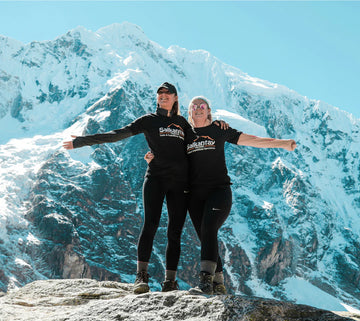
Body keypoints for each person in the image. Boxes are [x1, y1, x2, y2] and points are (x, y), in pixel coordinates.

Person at [145, 96, 296, 295]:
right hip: (194, 197)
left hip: (219, 192)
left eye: (202, 106)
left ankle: (205, 284)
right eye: (194, 106)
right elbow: (171, 158)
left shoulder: (219, 130)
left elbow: (252, 140)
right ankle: (219, 284)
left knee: (208, 229)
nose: (198, 108)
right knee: (207, 237)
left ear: (208, 110)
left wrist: (283, 143)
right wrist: (153, 161)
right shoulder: (184, 135)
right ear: (189, 112)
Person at [63, 82, 196, 294]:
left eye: (167, 94)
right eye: (160, 93)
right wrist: (81, 141)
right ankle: (141, 277)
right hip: (156, 178)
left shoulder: (182, 123)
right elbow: (117, 134)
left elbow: (196, 148)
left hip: (179, 183)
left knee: (175, 231)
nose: (163, 96)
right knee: (150, 225)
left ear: (175, 97)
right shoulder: (149, 120)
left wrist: (220, 129)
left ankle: (170, 281)